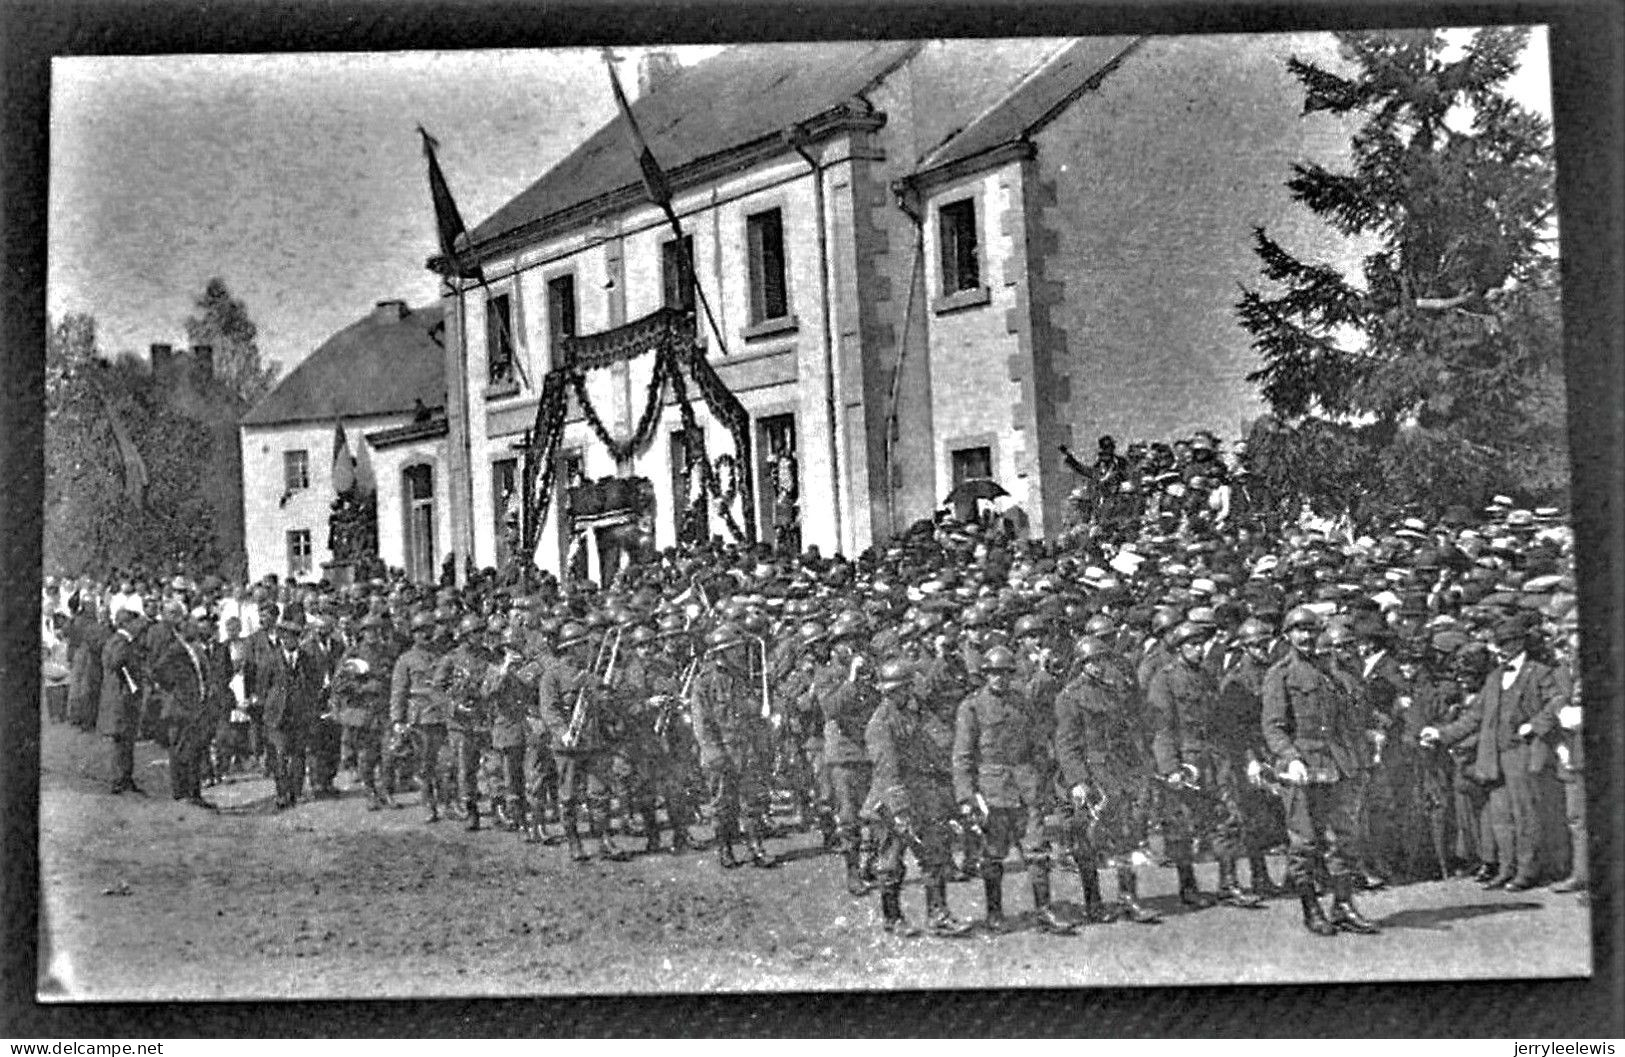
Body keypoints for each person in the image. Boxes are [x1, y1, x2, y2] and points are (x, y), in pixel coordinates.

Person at [1421, 614, 1570, 889]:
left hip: (1523, 752)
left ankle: (1527, 871)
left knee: (1525, 813)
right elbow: (1474, 718)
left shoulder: (1538, 672)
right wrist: (1441, 734)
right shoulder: (1494, 677)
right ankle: (1506, 868)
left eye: (1506, 643)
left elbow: (1558, 702)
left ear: (1519, 644)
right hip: (1494, 755)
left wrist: (1534, 726)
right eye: (1499, 643)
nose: (1501, 648)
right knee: (1501, 816)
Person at [1261, 606, 1378, 936]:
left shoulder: (1333, 673)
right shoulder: (1279, 675)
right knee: (1304, 842)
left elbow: (1347, 721)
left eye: (1312, 631)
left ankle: (1342, 905)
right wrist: (1290, 757)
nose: (1307, 637)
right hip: (1303, 767)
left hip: (1338, 765)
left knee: (1343, 837)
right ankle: (1311, 908)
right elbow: (1273, 727)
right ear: (1288, 636)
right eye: (1300, 631)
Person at [953, 644, 1076, 935]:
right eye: (994, 673)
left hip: (1025, 788)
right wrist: (966, 797)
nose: (1000, 679)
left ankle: (1044, 911)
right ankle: (995, 913)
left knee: (1037, 851)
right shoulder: (971, 707)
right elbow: (963, 756)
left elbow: (1036, 746)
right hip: (992, 791)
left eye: (1006, 673)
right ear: (985, 675)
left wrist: (1042, 783)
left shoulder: (1023, 703)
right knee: (993, 855)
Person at [1147, 621, 1264, 909]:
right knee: (1183, 824)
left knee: (1227, 817)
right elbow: (1161, 728)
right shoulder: (1164, 680)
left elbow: (1221, 721)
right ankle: (1188, 886)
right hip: (1187, 759)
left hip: (1215, 757)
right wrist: (1170, 768)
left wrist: (1240, 757)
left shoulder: (1208, 676)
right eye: (1192, 645)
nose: (1198, 650)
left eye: (1201, 644)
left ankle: (1229, 884)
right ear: (1179, 648)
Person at [862, 657, 975, 938]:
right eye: (892, 691)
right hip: (890, 800)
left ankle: (938, 914)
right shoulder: (880, 723)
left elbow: (941, 742)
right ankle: (893, 918)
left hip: (923, 795)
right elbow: (887, 772)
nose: (898, 695)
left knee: (935, 856)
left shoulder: (919, 712)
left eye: (903, 688)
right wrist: (900, 811)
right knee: (890, 863)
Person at [1053, 636, 1162, 924]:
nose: (1099, 666)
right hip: (1090, 774)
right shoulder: (1069, 697)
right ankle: (1093, 902)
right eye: (1092, 662)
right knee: (1087, 840)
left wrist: (1136, 770)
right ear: (1082, 665)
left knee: (1127, 835)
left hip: (1117, 771)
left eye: (1102, 660)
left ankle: (1128, 898)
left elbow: (1125, 735)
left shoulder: (1113, 693)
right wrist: (1077, 781)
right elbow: (1066, 745)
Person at [689, 622, 778, 870]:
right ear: (721, 653)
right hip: (721, 751)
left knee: (752, 801)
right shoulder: (704, 683)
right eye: (734, 649)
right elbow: (702, 723)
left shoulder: (743, 677)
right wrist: (713, 753)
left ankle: (755, 847)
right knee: (723, 805)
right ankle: (725, 848)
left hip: (746, 748)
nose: (740, 653)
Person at [149, 606, 219, 809]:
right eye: (192, 626)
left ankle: (194, 794)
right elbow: (158, 671)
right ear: (182, 628)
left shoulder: (194, 648)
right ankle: (182, 795)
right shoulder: (174, 649)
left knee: (194, 750)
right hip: (179, 708)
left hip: (194, 708)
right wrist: (176, 690)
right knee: (180, 752)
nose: (196, 629)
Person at [390, 611, 446, 823]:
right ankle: (428, 805)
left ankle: (449, 803)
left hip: (442, 715)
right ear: (413, 634)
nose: (426, 635)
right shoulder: (406, 660)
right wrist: (397, 720)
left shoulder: (442, 656)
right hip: (420, 718)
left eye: (429, 631)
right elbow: (399, 691)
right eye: (421, 632)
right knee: (424, 765)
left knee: (446, 763)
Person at [97, 609, 145, 795]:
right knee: (122, 739)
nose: (137, 626)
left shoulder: (120, 641)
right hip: (121, 696)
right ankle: (119, 780)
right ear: (126, 624)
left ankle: (125, 777)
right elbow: (116, 663)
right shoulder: (121, 642)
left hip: (121, 696)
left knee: (126, 739)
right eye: (134, 622)